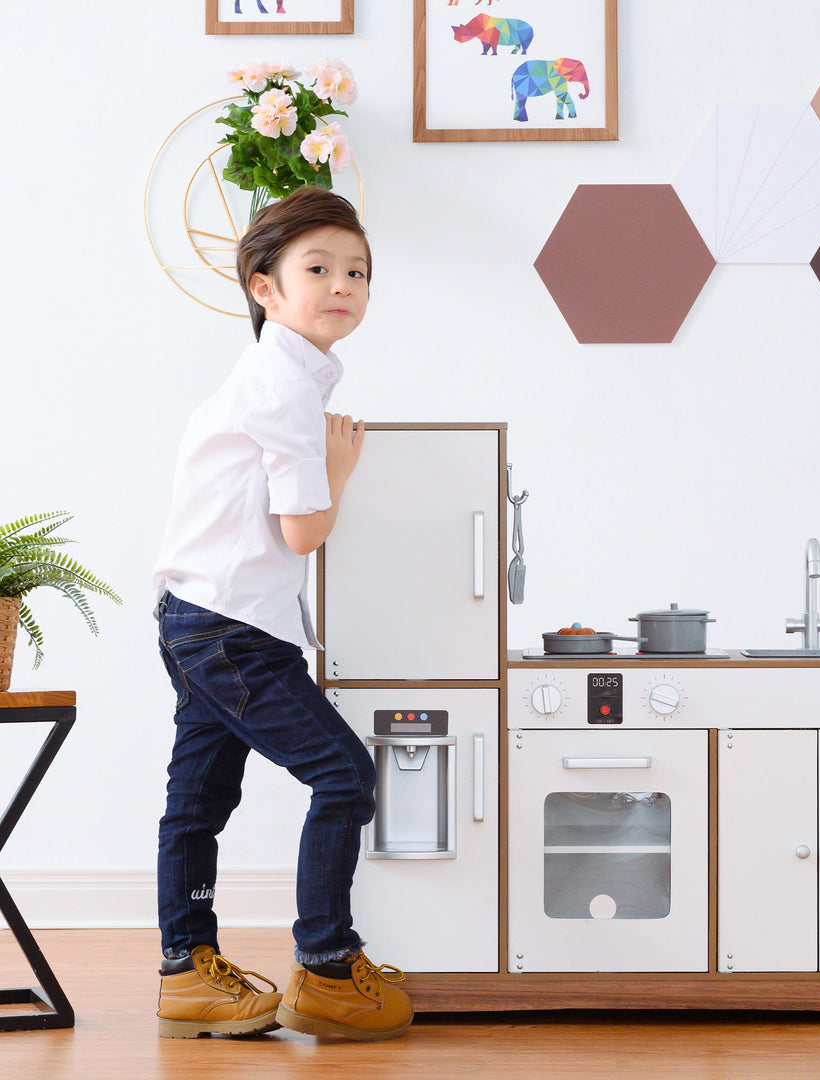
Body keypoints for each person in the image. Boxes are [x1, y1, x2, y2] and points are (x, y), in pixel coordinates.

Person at [151, 185, 412, 1042]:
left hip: (201, 616)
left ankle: (187, 970)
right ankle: (328, 968)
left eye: (358, 272)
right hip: (231, 628)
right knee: (344, 776)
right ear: (264, 287)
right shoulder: (285, 388)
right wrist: (339, 470)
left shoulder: (272, 375)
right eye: (319, 268)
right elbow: (303, 532)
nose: (343, 284)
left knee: (198, 800)